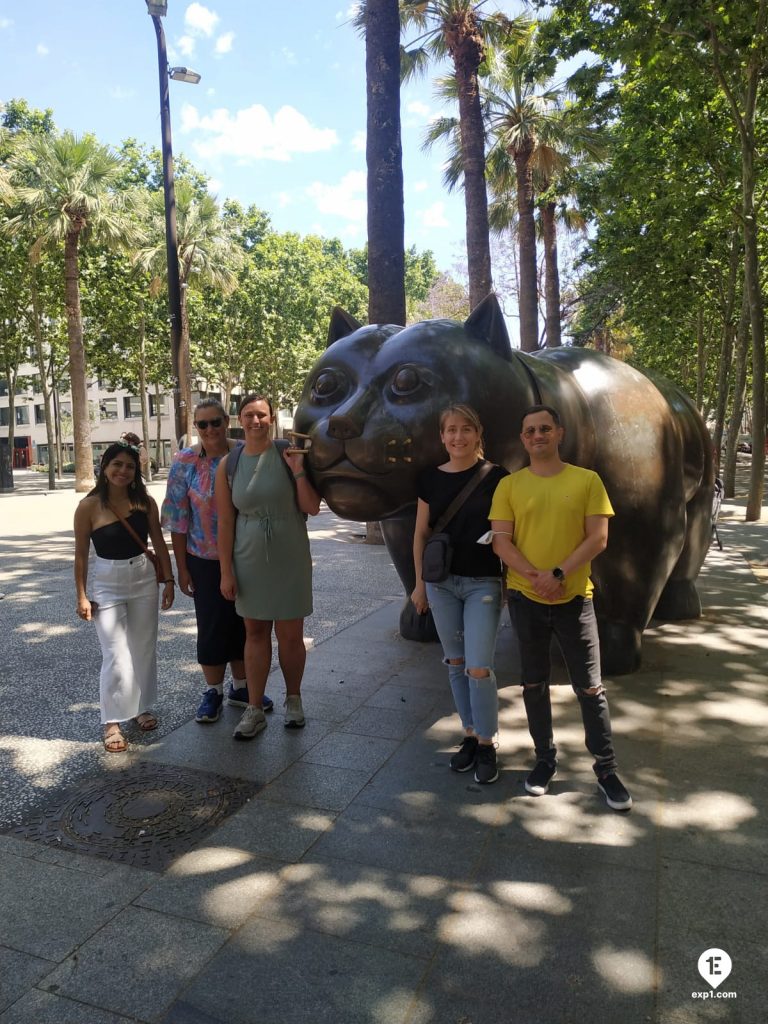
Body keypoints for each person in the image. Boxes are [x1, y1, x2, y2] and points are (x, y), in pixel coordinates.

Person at [489, 404, 633, 811]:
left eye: (545, 428)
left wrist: (558, 574)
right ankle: (544, 760)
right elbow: (501, 541)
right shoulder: (510, 486)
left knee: (590, 687)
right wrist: (536, 577)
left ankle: (606, 769)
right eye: (530, 430)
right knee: (533, 684)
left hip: (575, 600)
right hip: (525, 600)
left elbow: (598, 538)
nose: (538, 436)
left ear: (559, 433)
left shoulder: (587, 480)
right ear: (523, 439)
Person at [411, 405, 509, 784]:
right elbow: (421, 534)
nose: (458, 437)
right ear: (442, 436)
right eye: (451, 430)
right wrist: (419, 584)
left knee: (478, 666)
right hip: (441, 584)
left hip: (483, 582)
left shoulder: (498, 477)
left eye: (466, 429)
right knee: (455, 662)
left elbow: (508, 531)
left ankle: (487, 742)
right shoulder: (429, 479)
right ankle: (470, 733)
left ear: (478, 433)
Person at [161, 398, 274, 724]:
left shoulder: (245, 453)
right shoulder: (184, 462)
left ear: (227, 421)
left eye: (215, 422)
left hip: (248, 554)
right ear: (196, 427)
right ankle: (213, 691)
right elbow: (178, 519)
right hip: (204, 558)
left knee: (246, 623)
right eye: (202, 424)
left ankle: (241, 687)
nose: (209, 429)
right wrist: (182, 569)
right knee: (211, 625)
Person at [216, 394, 321, 740]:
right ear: (240, 418)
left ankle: (294, 699)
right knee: (255, 633)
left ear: (272, 418)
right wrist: (226, 571)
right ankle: (254, 708)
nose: (255, 420)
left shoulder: (289, 452)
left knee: (290, 634)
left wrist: (299, 470)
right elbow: (225, 523)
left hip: (290, 553)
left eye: (262, 414)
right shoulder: (229, 464)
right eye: (249, 414)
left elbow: (311, 506)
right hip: (248, 556)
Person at [74, 440, 175, 752]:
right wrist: (81, 595)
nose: (123, 471)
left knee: (143, 647)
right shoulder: (88, 507)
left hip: (143, 578)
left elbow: (159, 542)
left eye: (130, 466)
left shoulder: (145, 502)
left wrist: (169, 580)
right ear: (105, 467)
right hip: (107, 581)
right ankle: (113, 721)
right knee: (116, 654)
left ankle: (141, 707)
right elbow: (80, 555)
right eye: (117, 464)